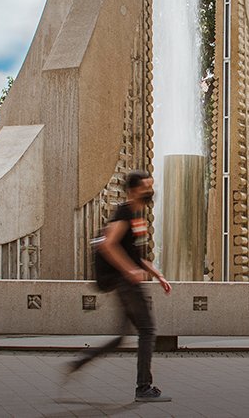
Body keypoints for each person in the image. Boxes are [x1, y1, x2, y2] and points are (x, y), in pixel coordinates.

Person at [67, 170, 173, 402]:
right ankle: (144, 388)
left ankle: (79, 362)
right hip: (126, 284)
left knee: (121, 337)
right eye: (146, 187)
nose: (150, 191)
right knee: (147, 330)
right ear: (134, 190)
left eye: (151, 186)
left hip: (126, 282)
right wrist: (129, 271)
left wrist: (157, 275)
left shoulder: (136, 215)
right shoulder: (125, 213)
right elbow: (108, 244)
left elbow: (135, 257)